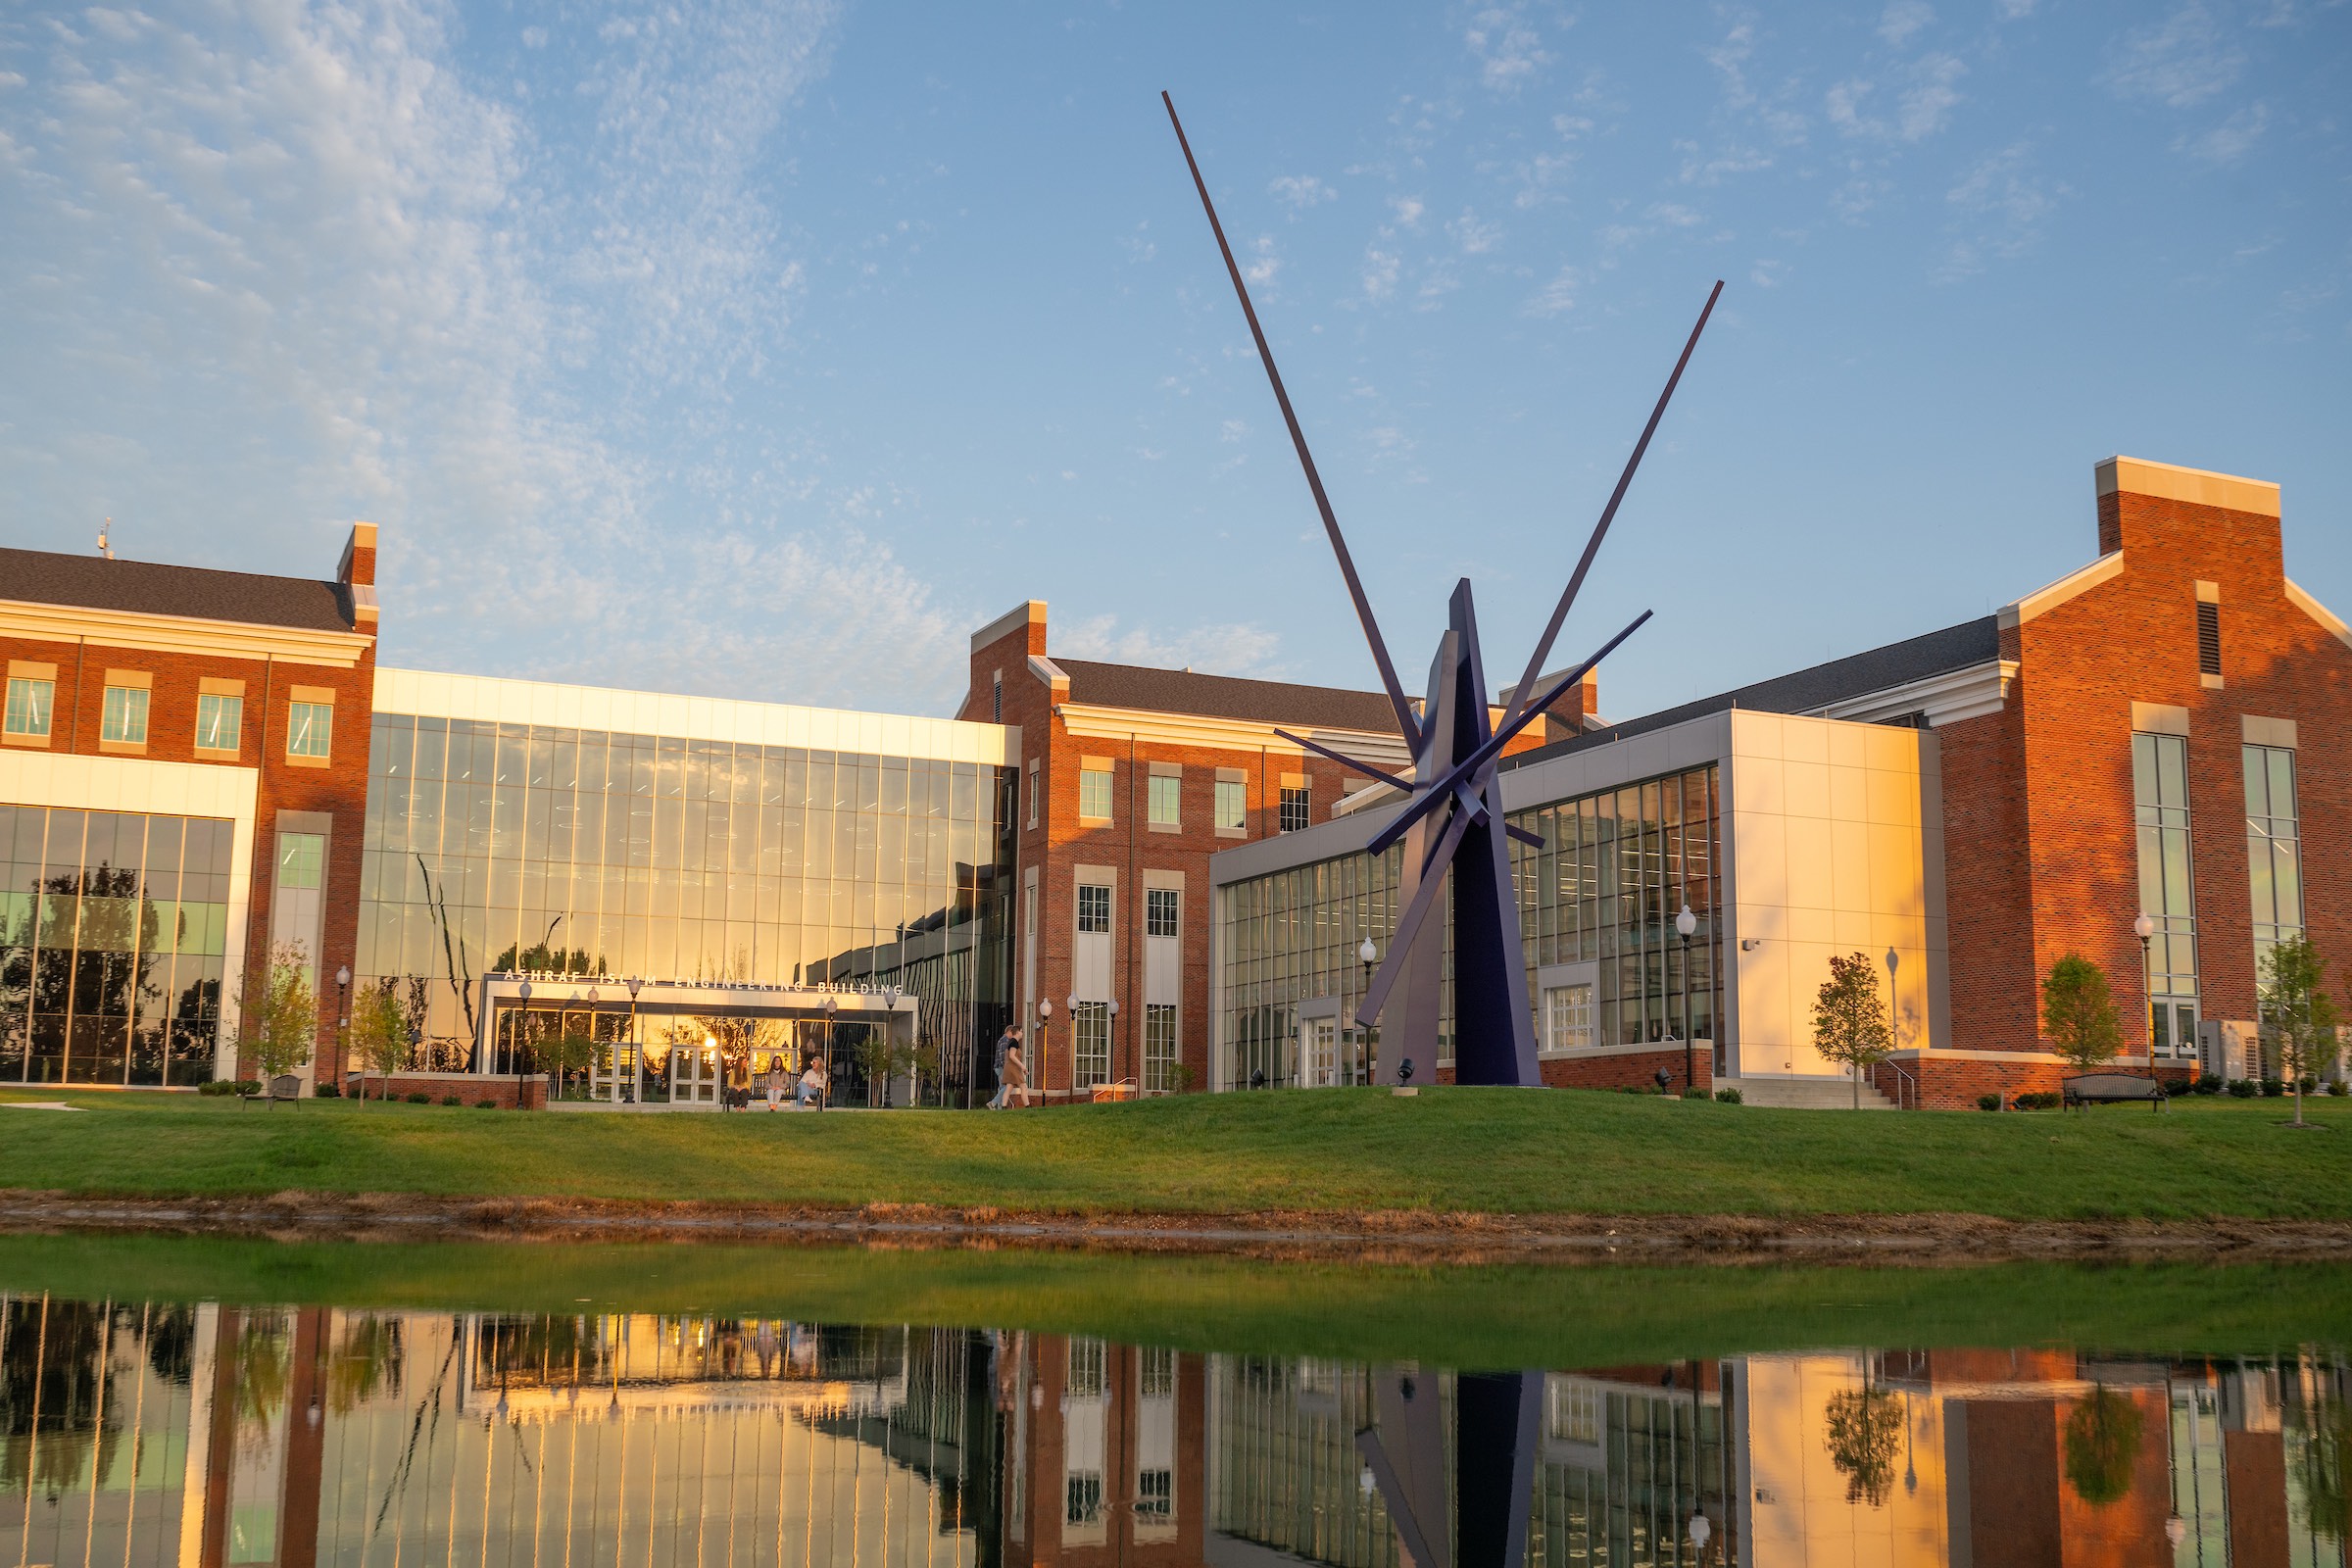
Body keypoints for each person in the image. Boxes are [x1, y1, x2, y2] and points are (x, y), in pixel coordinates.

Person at [988, 1024, 1023, 1109]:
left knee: (1002, 1088)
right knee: (1006, 1087)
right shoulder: (1005, 1041)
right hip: (1001, 1067)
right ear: (1009, 1032)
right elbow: (1003, 1056)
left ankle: (999, 1107)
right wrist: (1006, 1068)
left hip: (999, 1067)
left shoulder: (1002, 1040)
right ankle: (993, 1103)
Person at [998, 1036, 1028, 1108]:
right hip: (1014, 1068)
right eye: (1021, 1031)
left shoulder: (1010, 1042)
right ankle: (1027, 1105)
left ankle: (1003, 1106)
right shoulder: (1014, 1042)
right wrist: (1022, 1066)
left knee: (1009, 1087)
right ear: (1017, 1032)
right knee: (1023, 1086)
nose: (1022, 1033)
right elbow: (1012, 1056)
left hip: (1010, 1067)